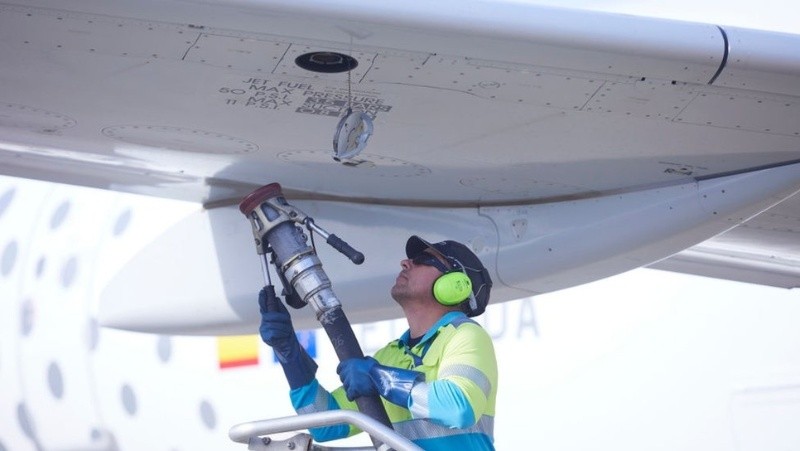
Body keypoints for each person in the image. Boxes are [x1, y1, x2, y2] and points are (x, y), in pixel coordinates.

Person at [259, 235, 497, 450]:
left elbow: (458, 407)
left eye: (423, 259)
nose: (405, 263)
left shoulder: (465, 335)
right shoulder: (390, 356)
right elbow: (325, 424)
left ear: (456, 286)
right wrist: (289, 353)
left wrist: (381, 378)